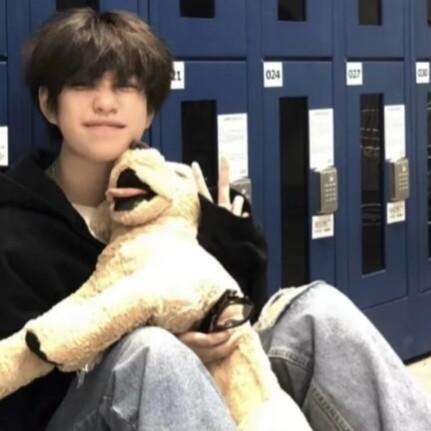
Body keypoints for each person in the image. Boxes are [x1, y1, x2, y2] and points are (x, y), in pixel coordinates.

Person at [0, 7, 429, 431]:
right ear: (49, 104)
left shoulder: (178, 199)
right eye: (83, 84)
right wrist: (172, 348)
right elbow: (23, 394)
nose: (105, 103)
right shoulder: (15, 224)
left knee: (317, 311)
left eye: (125, 86)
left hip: (203, 399)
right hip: (83, 414)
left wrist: (229, 235)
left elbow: (240, 313)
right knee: (152, 352)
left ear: (149, 111)